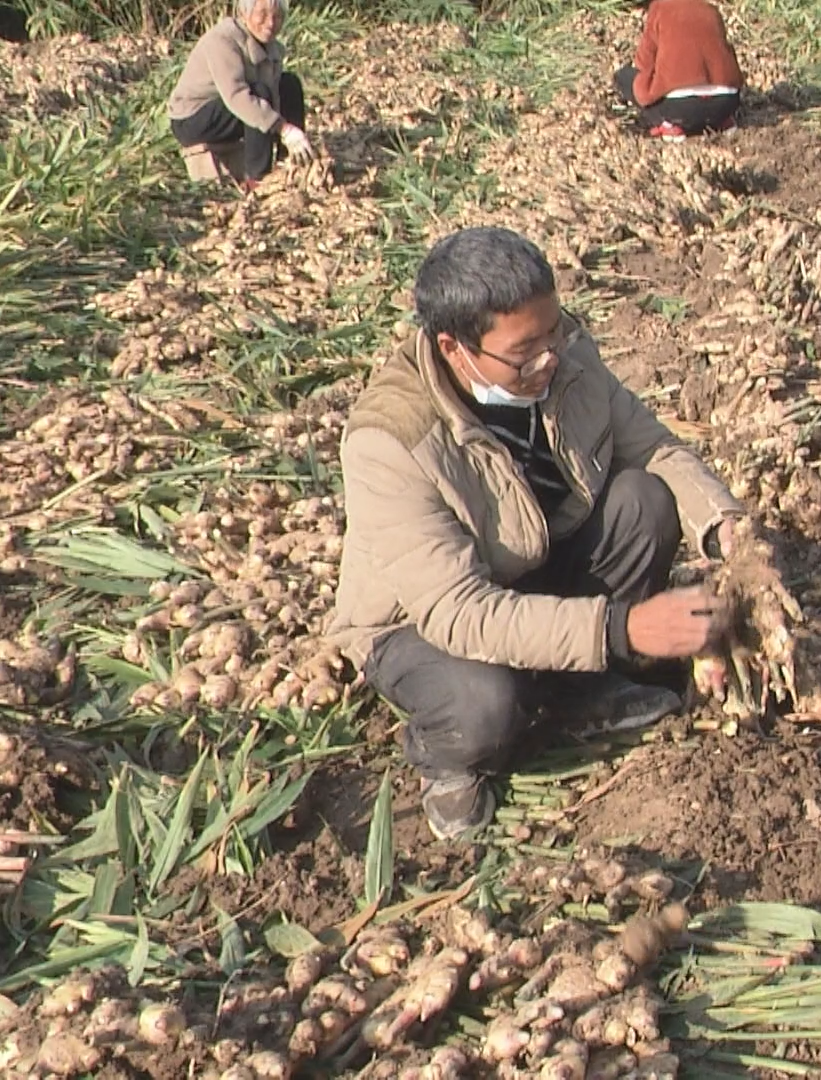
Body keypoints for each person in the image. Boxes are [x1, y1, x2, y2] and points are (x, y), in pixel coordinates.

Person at [329, 227, 748, 841]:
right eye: (527, 350)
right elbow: (460, 613)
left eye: (553, 332)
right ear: (454, 347)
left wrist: (725, 523)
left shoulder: (564, 354)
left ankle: (583, 691)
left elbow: (651, 446)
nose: (551, 356)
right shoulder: (390, 440)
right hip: (423, 623)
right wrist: (621, 628)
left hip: (535, 561)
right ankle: (446, 757)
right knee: (484, 705)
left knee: (645, 501)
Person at [167, 0, 314, 185]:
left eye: (277, 16)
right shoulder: (222, 40)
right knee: (257, 95)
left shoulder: (273, 48)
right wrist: (284, 128)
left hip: (229, 108)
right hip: (192, 117)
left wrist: (289, 134)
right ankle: (257, 179)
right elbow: (237, 97)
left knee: (289, 84)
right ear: (244, 14)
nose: (270, 23)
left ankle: (291, 162)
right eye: (262, 14)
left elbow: (274, 95)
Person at [612, 0, 744, 141]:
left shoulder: (659, 8)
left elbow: (644, 63)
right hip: (726, 103)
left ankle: (669, 125)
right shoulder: (710, 10)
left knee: (625, 77)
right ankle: (722, 122)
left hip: (679, 108)